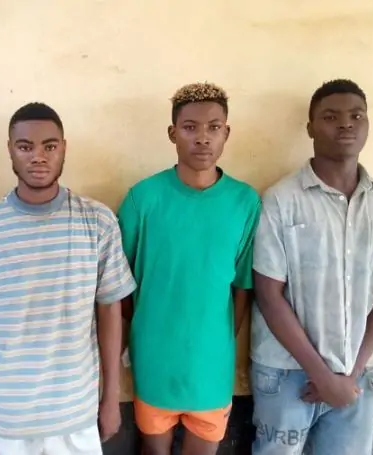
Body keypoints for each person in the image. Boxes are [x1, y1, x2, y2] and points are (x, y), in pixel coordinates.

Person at [0, 102, 136, 455]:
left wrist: (111, 399)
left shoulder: (97, 222)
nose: (38, 157)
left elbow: (110, 312)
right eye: (25, 146)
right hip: (9, 418)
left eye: (49, 146)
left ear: (64, 148)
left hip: (77, 413)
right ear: (10, 150)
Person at [250, 79, 373, 455]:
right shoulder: (281, 200)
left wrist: (349, 374)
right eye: (331, 117)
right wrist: (322, 376)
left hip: (358, 373)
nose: (346, 124)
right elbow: (269, 294)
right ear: (310, 128)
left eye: (356, 116)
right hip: (286, 371)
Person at [117, 82, 261, 455]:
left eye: (214, 127)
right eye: (190, 127)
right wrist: (143, 329)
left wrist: (219, 338)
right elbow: (119, 284)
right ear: (172, 133)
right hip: (154, 359)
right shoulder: (143, 198)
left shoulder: (244, 202)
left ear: (227, 133)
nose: (202, 138)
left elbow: (243, 287)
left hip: (211, 365)